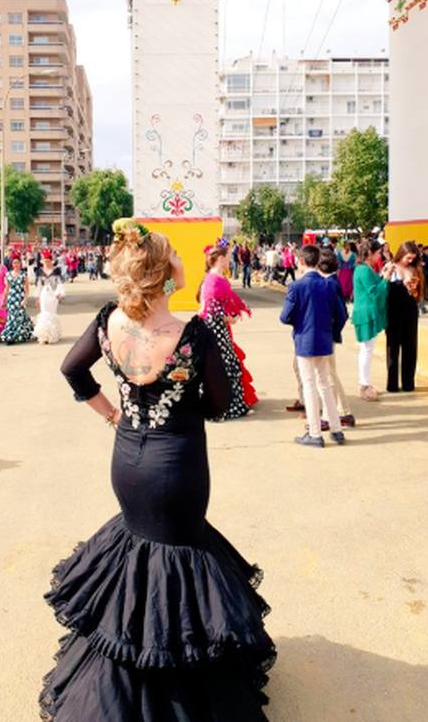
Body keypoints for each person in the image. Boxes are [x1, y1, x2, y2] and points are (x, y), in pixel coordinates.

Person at [42, 218, 275, 719]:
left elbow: (72, 369)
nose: (183, 260)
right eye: (176, 256)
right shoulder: (193, 334)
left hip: (127, 460)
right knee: (178, 562)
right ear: (166, 272)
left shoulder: (109, 320)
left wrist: (112, 413)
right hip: (179, 468)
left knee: (143, 556)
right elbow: (220, 404)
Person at [280, 245, 348, 447]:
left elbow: (285, 317)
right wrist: (331, 331)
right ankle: (336, 429)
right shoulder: (328, 285)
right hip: (324, 339)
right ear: (318, 261)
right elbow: (342, 314)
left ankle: (315, 432)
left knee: (309, 384)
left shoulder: (296, 286)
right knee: (324, 383)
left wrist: (299, 322)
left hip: (305, 341)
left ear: (301, 261)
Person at [197, 240, 258, 418]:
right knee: (225, 366)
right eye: (228, 257)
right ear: (221, 259)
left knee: (225, 365)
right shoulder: (214, 280)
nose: (230, 260)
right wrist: (228, 317)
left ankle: (229, 405)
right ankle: (228, 407)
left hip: (216, 328)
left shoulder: (213, 278)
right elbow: (210, 309)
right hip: (216, 329)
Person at [318, 249, 355, 429]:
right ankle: (342, 411)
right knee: (330, 374)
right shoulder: (331, 282)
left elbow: (342, 314)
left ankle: (338, 413)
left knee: (329, 376)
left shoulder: (331, 284)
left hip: (328, 335)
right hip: (328, 334)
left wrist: (332, 330)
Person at [351, 239, 393, 401]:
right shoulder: (364, 270)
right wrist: (386, 278)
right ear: (369, 253)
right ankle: (364, 384)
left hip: (366, 312)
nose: (379, 255)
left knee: (367, 350)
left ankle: (365, 383)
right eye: (377, 253)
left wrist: (383, 276)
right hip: (366, 314)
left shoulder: (365, 269)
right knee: (366, 350)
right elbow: (375, 292)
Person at [386, 241, 423, 393]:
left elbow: (418, 293)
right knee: (393, 349)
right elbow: (384, 287)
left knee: (410, 347)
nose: (410, 261)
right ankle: (392, 384)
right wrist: (393, 278)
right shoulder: (391, 267)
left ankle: (408, 383)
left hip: (410, 311)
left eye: (412, 258)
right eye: (408, 258)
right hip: (393, 312)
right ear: (401, 254)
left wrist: (413, 287)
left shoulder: (415, 269)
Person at [0, 256, 34, 344]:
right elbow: (6, 289)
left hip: (20, 298)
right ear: (12, 264)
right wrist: (3, 300)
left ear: (20, 264)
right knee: (11, 317)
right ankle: (10, 336)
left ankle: (21, 335)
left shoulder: (23, 274)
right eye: (14, 263)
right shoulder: (8, 275)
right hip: (11, 299)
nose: (16, 265)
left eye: (17, 263)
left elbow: (27, 289)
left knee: (20, 317)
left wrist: (25, 299)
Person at [33, 258, 65, 344]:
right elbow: (38, 286)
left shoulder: (56, 271)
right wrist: (37, 298)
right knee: (44, 313)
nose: (46, 263)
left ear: (52, 261)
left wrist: (60, 293)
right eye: (45, 261)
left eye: (48, 261)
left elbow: (60, 284)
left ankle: (53, 334)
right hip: (44, 295)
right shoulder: (40, 272)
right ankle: (44, 336)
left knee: (52, 313)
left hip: (53, 295)